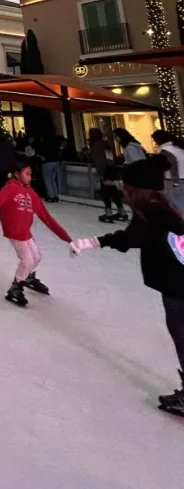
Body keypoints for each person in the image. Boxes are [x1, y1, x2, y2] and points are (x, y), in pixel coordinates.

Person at [71, 156, 184, 416]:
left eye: (126, 184)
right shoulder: (161, 206)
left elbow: (131, 238)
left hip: (177, 285)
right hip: (177, 281)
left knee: (181, 336)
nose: (123, 188)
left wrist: (94, 242)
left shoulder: (152, 211)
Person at [0, 160, 73, 307]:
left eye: (30, 174)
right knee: (27, 261)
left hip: (25, 231)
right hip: (14, 231)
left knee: (36, 257)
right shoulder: (9, 189)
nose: (29, 177)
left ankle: (30, 277)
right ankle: (15, 288)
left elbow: (46, 217)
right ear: (17, 174)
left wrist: (65, 237)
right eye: (26, 174)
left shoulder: (31, 192)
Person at [152, 129, 184, 213]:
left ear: (158, 139)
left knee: (177, 205)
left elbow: (173, 165)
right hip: (181, 178)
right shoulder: (178, 146)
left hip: (173, 180)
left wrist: (175, 183)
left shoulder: (165, 150)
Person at [39, 134, 63, 202]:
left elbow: (41, 154)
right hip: (55, 162)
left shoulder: (43, 144)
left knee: (48, 180)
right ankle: (56, 196)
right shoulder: (54, 144)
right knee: (53, 180)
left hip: (47, 162)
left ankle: (51, 196)